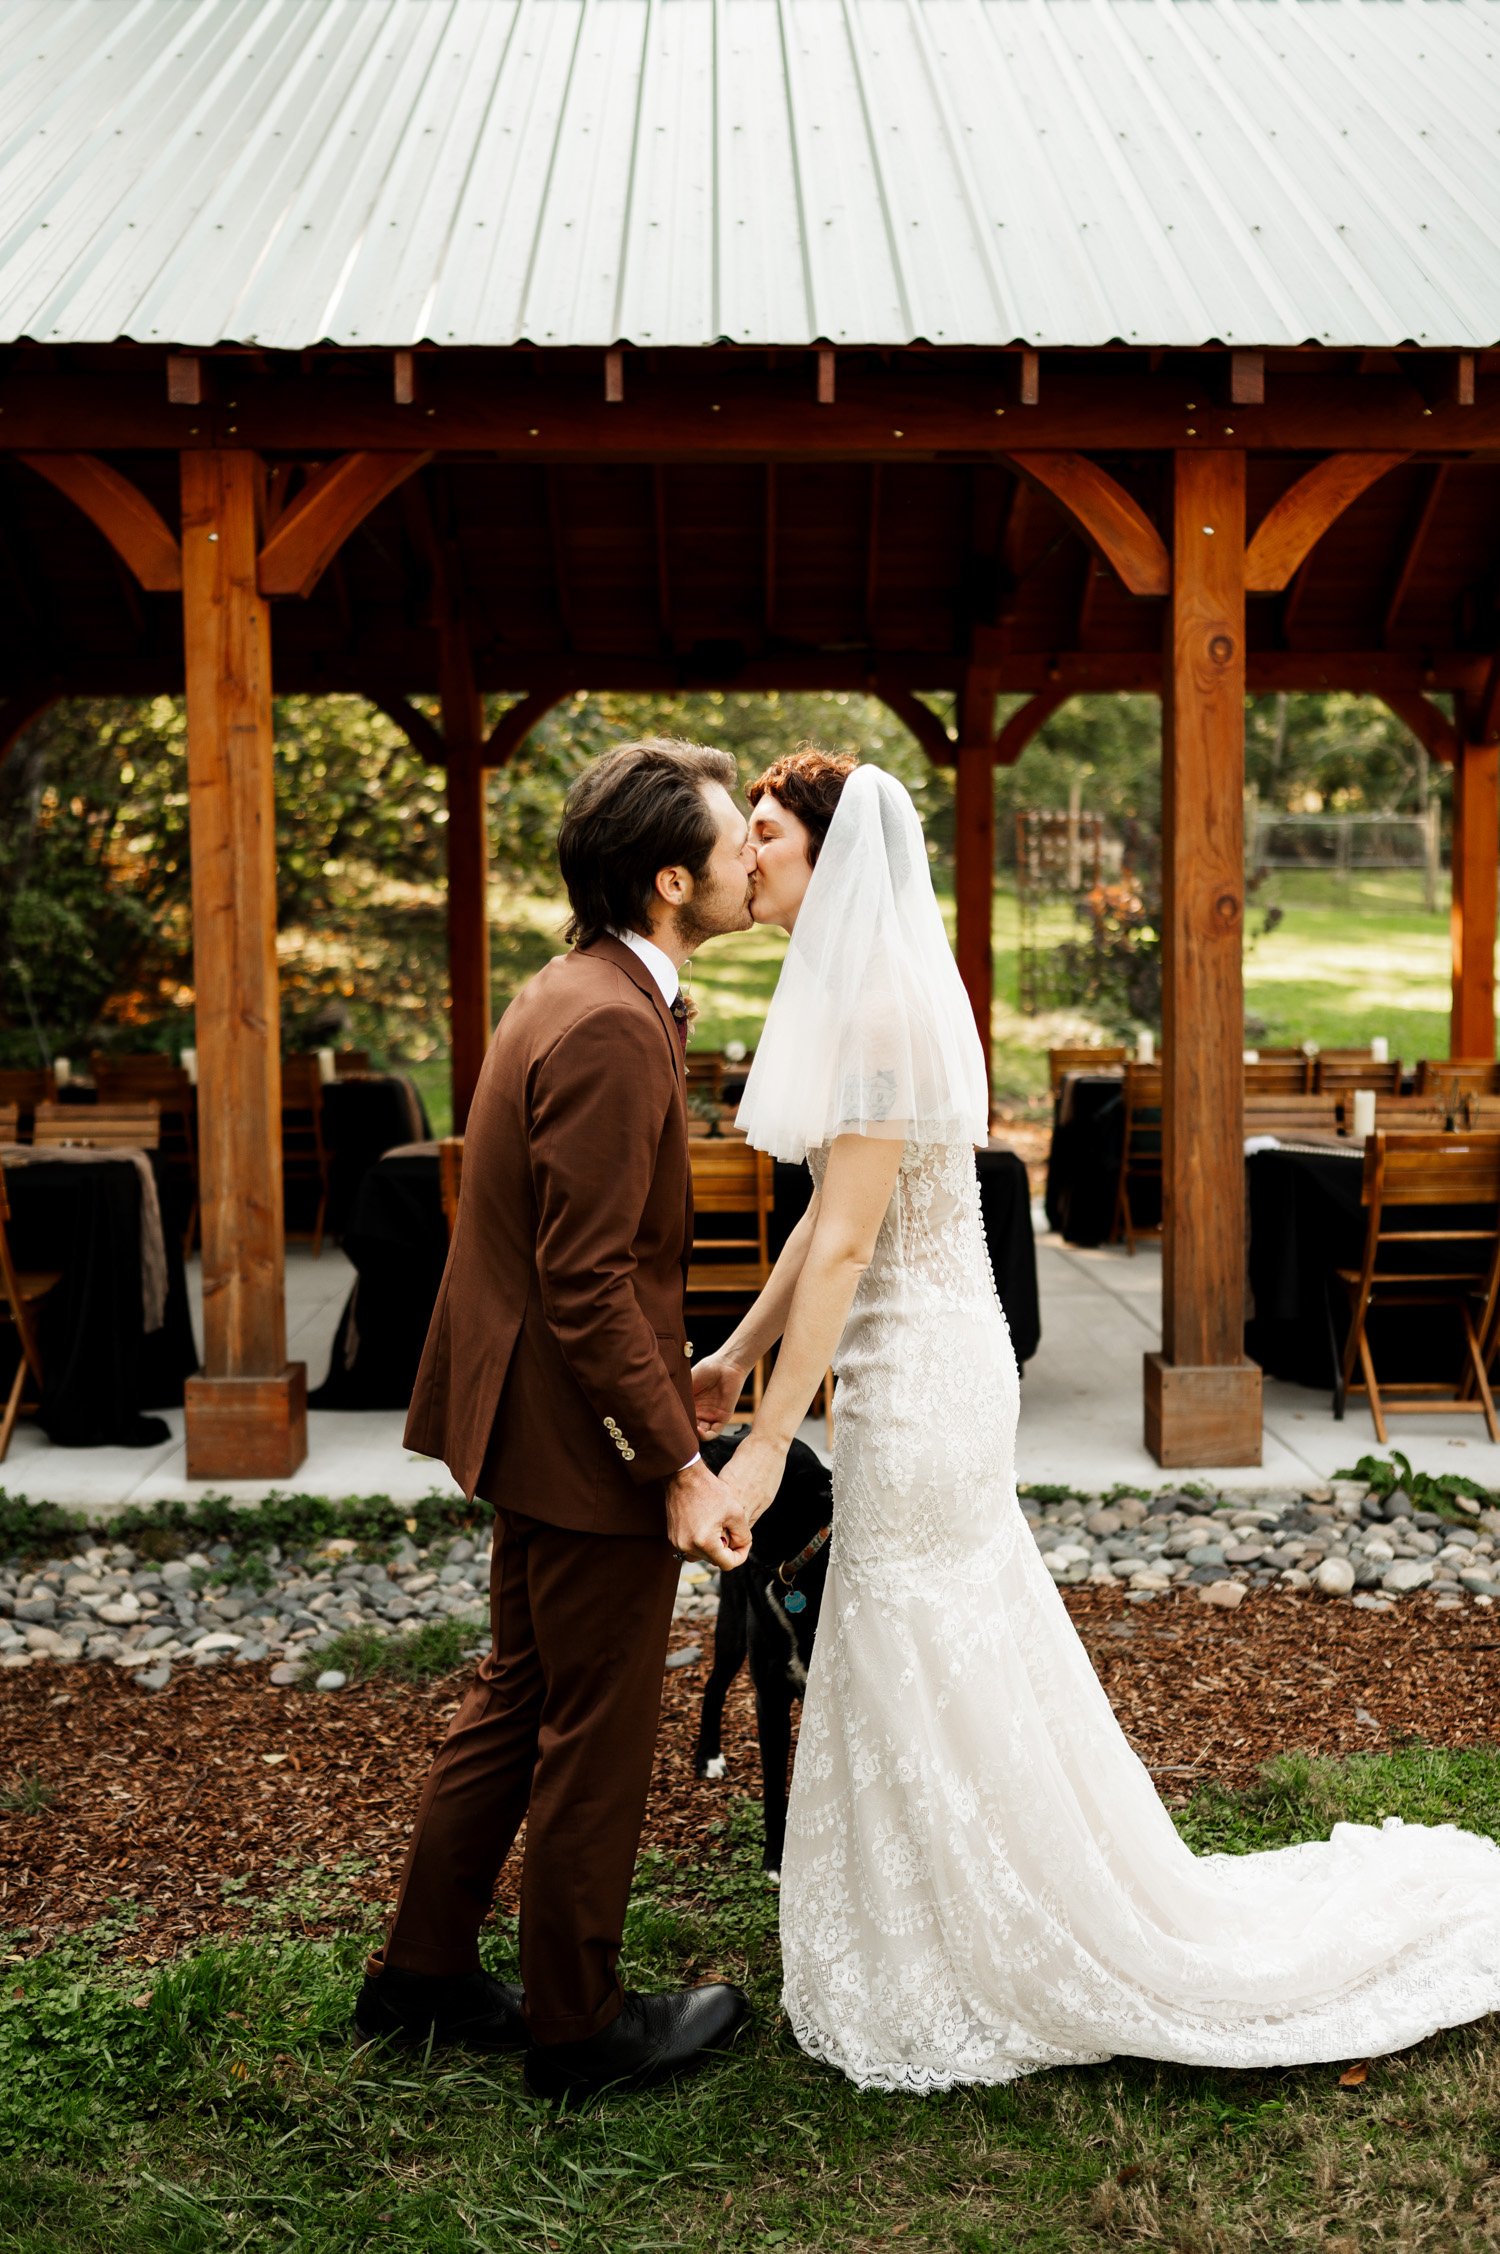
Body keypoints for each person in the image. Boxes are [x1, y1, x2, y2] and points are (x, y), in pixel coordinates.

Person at [692, 747, 1500, 2094]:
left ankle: (999, 1938)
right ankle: (938, 1927)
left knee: (913, 1626)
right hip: (900, 1361)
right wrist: (735, 1350)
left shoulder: (881, 1002)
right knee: (920, 1635)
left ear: (827, 856)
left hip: (930, 1372)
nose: (748, 852)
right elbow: (829, 1224)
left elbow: (842, 1248)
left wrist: (774, 1439)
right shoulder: (842, 990)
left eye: (765, 832)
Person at [358, 738, 756, 2101]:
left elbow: (587, 1269)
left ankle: (418, 1976)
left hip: (537, 1417)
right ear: (667, 879)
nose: (753, 855)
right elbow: (588, 1285)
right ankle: (578, 2028)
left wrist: (677, 1369)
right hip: (579, 1440)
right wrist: (678, 1463)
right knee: (595, 1721)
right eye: (730, 837)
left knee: (518, 1694)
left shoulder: (579, 987)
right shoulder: (605, 1021)